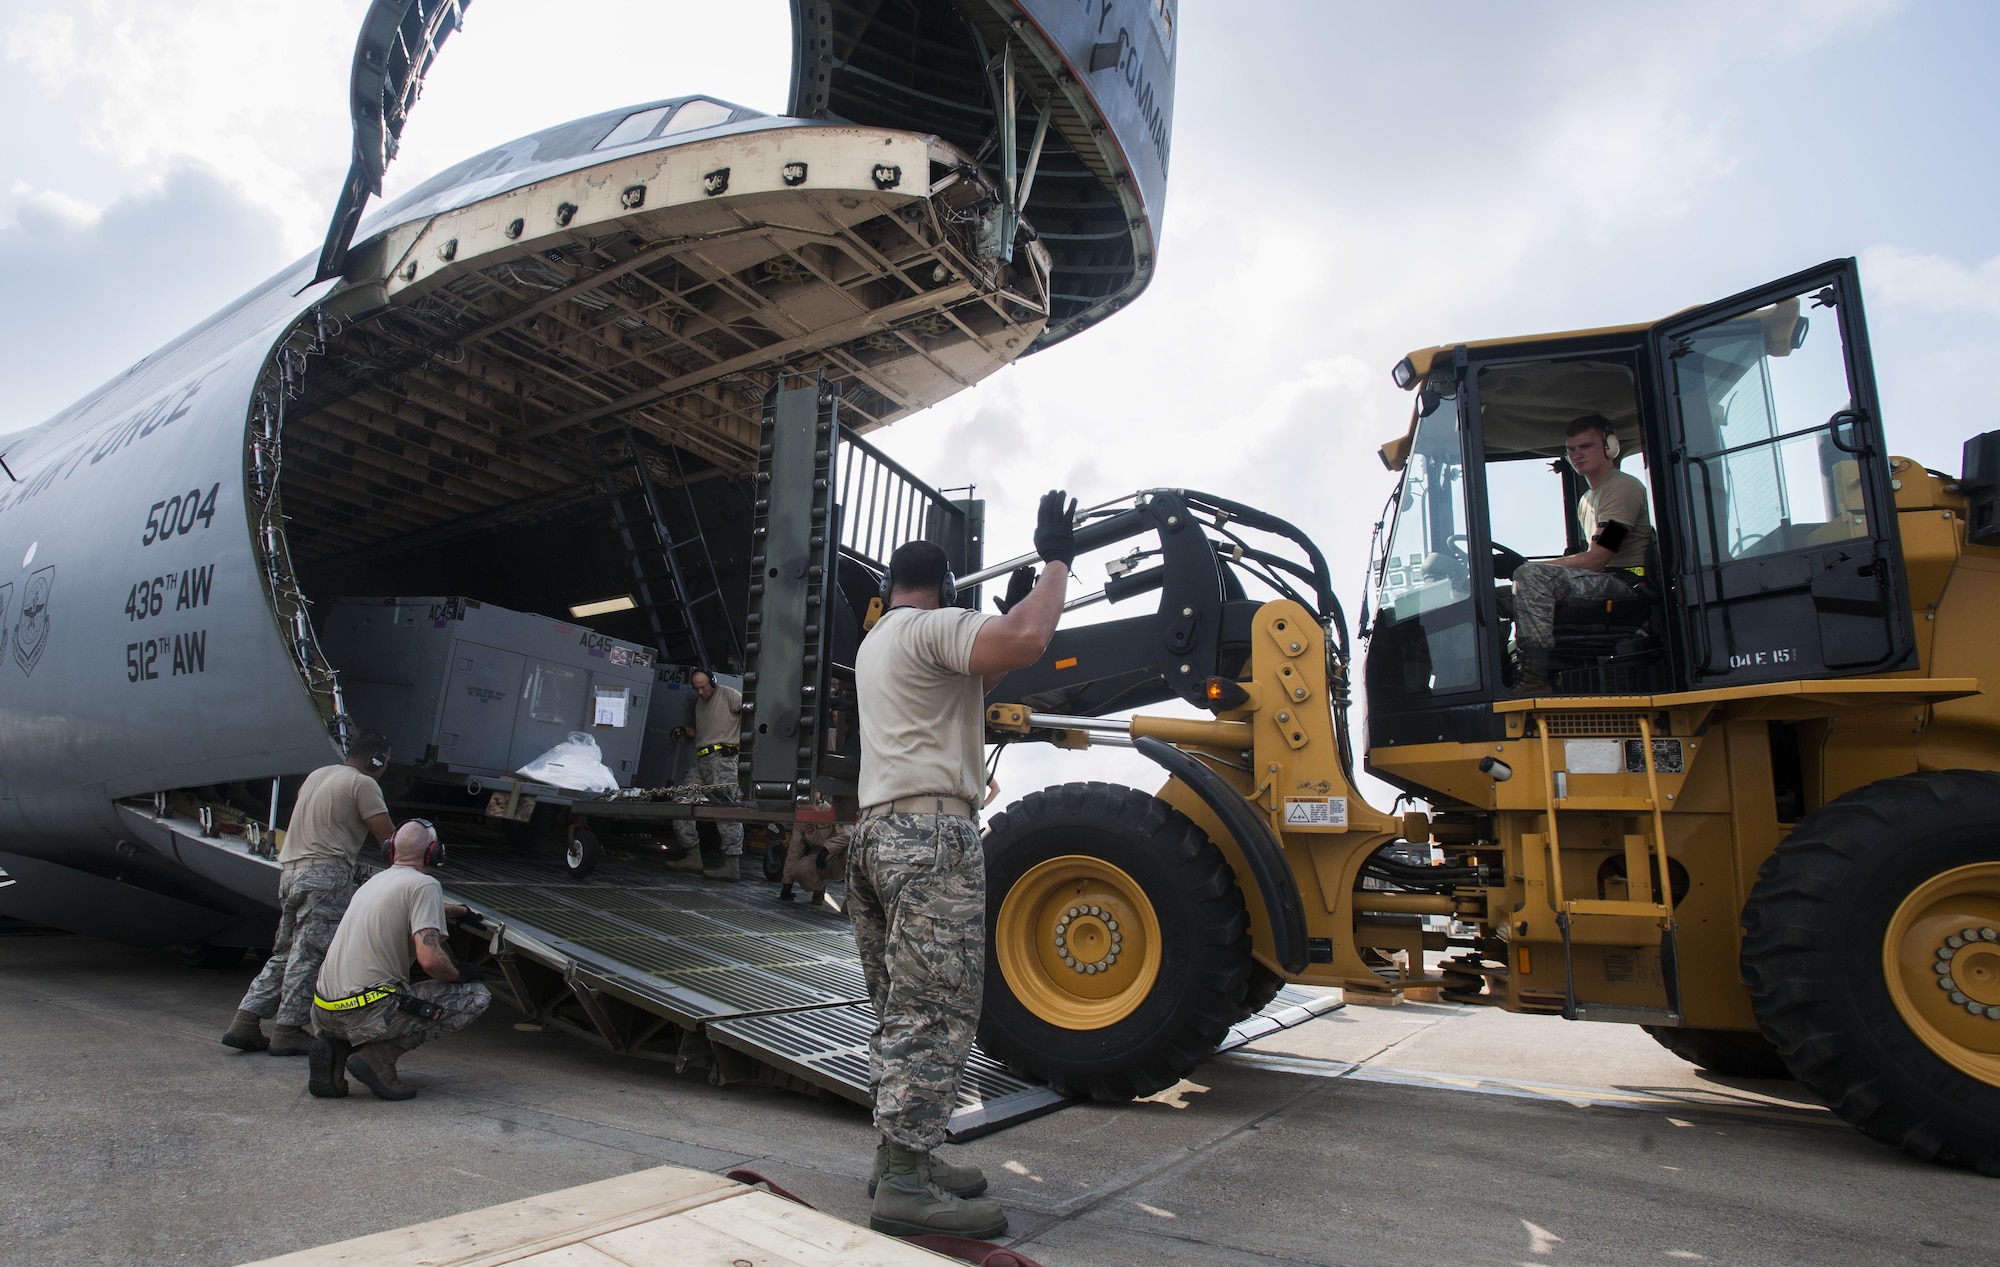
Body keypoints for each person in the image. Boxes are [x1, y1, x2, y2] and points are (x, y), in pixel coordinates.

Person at [848, 491, 1074, 1239]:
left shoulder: (879, 642)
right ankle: (907, 1183)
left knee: (897, 1012)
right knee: (934, 1009)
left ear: (888, 589)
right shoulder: (935, 625)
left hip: (875, 838)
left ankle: (900, 1154)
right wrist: (1055, 558)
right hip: (931, 838)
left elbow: (979, 674)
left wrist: (1003, 621)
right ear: (945, 592)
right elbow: (1031, 639)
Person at [222, 734, 396, 1057]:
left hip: (291, 872)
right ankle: (288, 1030)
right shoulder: (364, 784)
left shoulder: (318, 775)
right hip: (326, 877)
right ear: (376, 759)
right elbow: (389, 839)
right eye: (385, 760)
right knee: (311, 953)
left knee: (285, 951)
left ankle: (245, 1020)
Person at [307, 819, 490, 1100]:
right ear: (435, 853)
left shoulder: (374, 882)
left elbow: (405, 902)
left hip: (323, 1010)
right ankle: (378, 1058)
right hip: (366, 1011)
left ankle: (337, 1047)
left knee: (369, 998)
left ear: (390, 850)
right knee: (474, 996)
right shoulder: (425, 885)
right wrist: (460, 973)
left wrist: (458, 912)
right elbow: (429, 960)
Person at [1506, 414, 1655, 693]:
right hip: (1603, 578)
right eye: (1571, 449)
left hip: (1627, 581)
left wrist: (1526, 566)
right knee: (1500, 596)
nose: (1577, 455)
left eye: (1585, 446)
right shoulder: (1587, 499)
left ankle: (1534, 680)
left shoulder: (1622, 488)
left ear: (1609, 446)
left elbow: (1598, 558)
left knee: (1531, 577)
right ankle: (1504, 670)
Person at [667, 669, 744, 880]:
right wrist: (686, 730)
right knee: (681, 801)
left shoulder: (729, 695)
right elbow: (707, 732)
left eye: (704, 687)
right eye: (697, 688)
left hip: (723, 759)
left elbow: (754, 715)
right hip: (702, 760)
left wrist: (738, 745)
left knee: (726, 808)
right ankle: (692, 855)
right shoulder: (701, 704)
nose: (701, 692)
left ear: (713, 682)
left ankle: (732, 864)